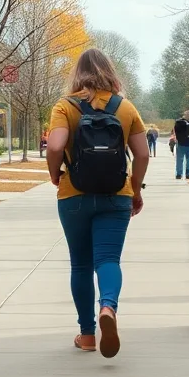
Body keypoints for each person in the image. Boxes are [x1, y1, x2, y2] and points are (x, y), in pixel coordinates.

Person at [46, 48, 149, 358]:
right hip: (116, 195)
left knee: (80, 264)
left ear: (77, 74)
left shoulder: (65, 107)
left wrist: (55, 173)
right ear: (110, 72)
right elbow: (142, 154)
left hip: (73, 194)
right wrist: (136, 189)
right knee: (107, 260)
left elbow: (55, 145)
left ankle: (88, 334)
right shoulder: (125, 107)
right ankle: (108, 307)